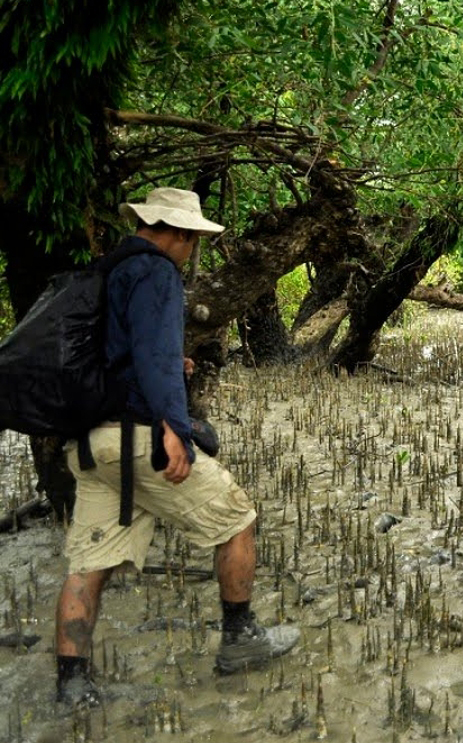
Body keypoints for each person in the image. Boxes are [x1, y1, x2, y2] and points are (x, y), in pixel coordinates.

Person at [55, 188, 298, 707]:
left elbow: (123, 354)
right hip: (139, 438)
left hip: (93, 445)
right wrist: (175, 429)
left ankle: (71, 683)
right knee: (237, 519)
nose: (192, 254)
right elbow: (157, 353)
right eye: (193, 242)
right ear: (180, 233)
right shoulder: (156, 271)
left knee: (87, 564)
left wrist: (165, 371)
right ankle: (241, 640)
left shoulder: (107, 271)